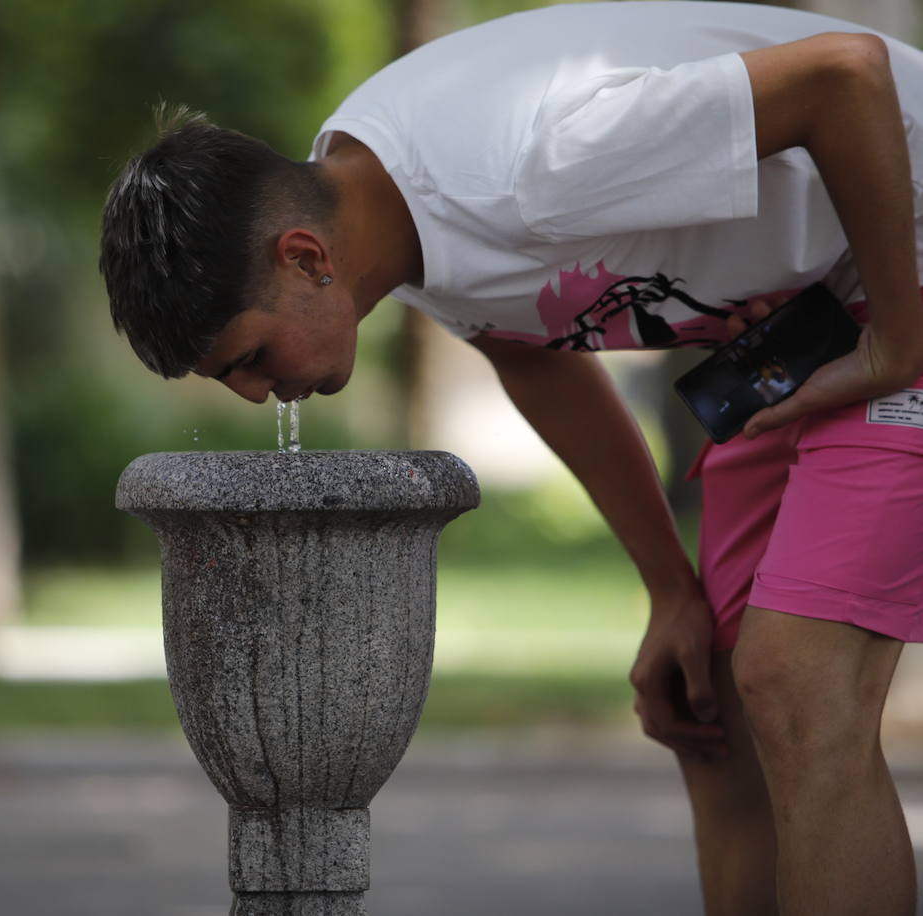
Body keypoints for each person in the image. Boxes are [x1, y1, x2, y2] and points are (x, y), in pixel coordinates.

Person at [98, 2, 923, 913]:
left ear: (302, 258)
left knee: (798, 682)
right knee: (715, 713)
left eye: (248, 360)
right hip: (804, 326)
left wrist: (899, 340)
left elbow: (846, 74)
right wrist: (669, 589)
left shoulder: (534, 166)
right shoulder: (376, 202)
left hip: (899, 271)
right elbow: (535, 356)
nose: (256, 395)